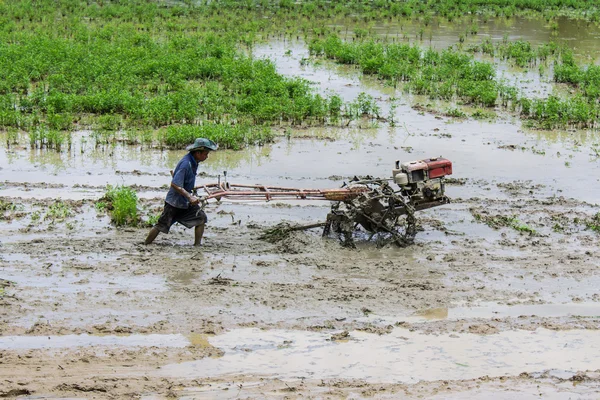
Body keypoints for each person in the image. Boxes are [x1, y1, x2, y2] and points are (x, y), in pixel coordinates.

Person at [145, 138, 218, 246]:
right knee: (161, 225)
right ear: (198, 153)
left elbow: (184, 182)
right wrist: (190, 197)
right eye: (205, 154)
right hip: (174, 202)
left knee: (201, 218)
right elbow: (175, 184)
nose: (206, 156)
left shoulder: (194, 162)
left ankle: (197, 245)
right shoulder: (186, 164)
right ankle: (145, 244)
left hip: (184, 202)